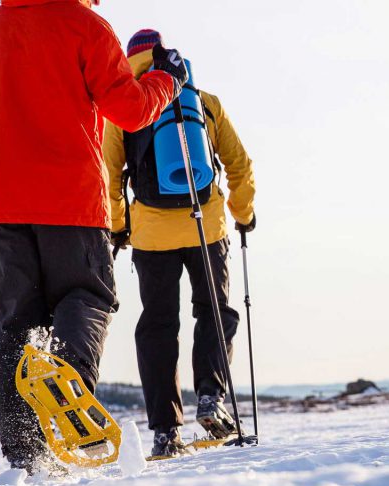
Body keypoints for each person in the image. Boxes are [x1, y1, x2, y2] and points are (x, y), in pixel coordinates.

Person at [0, 0, 189, 473]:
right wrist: (166, 80)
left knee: (13, 329)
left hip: (4, 205)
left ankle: (26, 456)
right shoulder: (85, 24)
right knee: (86, 297)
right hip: (72, 202)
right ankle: (67, 384)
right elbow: (130, 111)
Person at [103, 29, 256, 459]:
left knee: (158, 326)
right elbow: (239, 165)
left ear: (129, 61)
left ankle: (166, 430)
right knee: (214, 311)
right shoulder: (203, 100)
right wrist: (243, 214)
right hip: (207, 227)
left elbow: (109, 178)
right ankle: (211, 398)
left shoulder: (123, 108)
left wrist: (120, 229)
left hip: (152, 236)